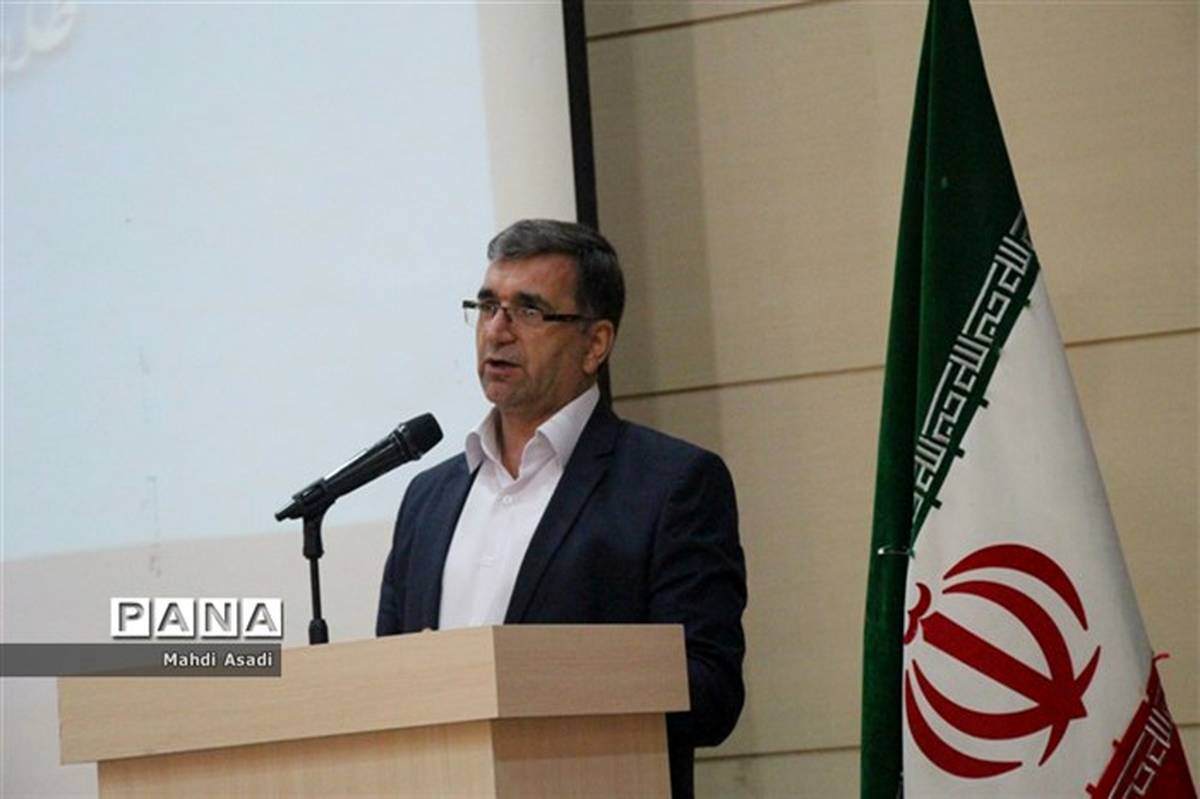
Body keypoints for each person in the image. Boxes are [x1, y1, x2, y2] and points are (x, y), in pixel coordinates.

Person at [376, 219, 747, 797]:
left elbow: (711, 691)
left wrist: (535, 679)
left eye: (528, 311)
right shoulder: (429, 497)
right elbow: (389, 685)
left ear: (595, 344)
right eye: (487, 306)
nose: (496, 332)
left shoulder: (671, 484)